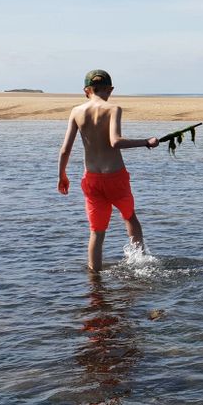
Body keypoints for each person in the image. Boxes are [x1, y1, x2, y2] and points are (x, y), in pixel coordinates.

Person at [58, 69, 159, 271]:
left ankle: (94, 281)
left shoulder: (76, 111)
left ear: (86, 90)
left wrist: (62, 175)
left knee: (96, 232)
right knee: (130, 217)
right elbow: (115, 142)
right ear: (110, 90)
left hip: (92, 179)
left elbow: (65, 150)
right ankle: (139, 263)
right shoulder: (113, 109)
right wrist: (146, 142)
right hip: (115, 177)